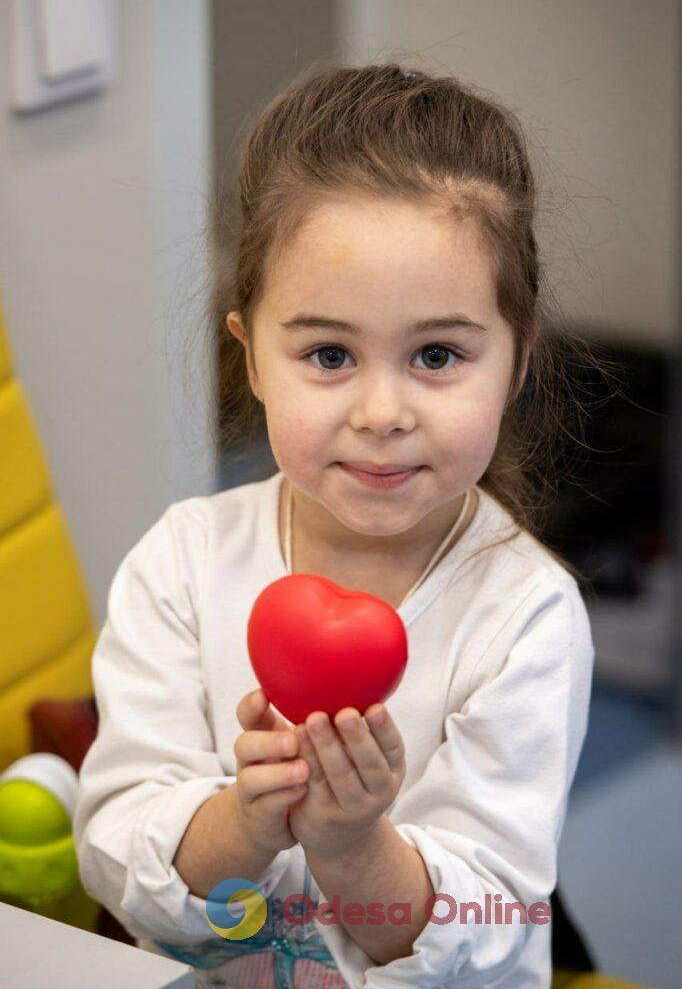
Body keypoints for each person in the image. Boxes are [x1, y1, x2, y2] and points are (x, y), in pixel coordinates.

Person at [73, 62, 605, 988]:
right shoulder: (183, 565)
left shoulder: (526, 617)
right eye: (329, 353)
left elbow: (480, 934)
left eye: (436, 354)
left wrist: (355, 844)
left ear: (517, 365)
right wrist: (244, 819)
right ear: (252, 359)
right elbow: (114, 852)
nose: (382, 409)